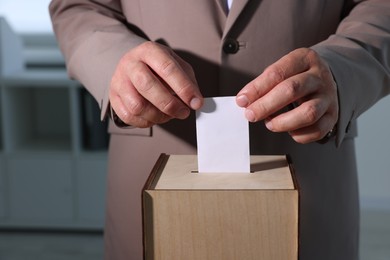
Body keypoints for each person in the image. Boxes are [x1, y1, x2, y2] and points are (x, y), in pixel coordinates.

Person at [49, 0, 390, 259]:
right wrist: (113, 62)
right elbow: (77, 7)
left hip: (308, 178)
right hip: (151, 178)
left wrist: (342, 68)